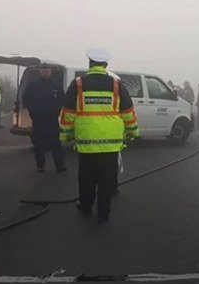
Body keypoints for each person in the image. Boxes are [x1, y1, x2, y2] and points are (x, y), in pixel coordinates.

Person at [59, 49, 139, 222]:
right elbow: (127, 111)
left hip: (86, 141)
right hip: (111, 143)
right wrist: (133, 131)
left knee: (86, 176)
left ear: (90, 64)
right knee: (106, 178)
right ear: (106, 65)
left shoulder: (78, 83)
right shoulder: (116, 84)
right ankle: (104, 212)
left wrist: (65, 135)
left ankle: (86, 205)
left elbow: (68, 112)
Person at [22, 63, 66, 173]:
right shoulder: (33, 85)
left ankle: (60, 165)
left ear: (50, 72)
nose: (45, 74)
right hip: (38, 119)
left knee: (56, 143)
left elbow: (62, 99)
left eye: (47, 72)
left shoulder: (56, 85)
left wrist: (57, 110)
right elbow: (25, 98)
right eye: (43, 72)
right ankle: (40, 165)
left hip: (52, 119)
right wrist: (32, 111)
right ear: (40, 72)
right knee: (38, 144)